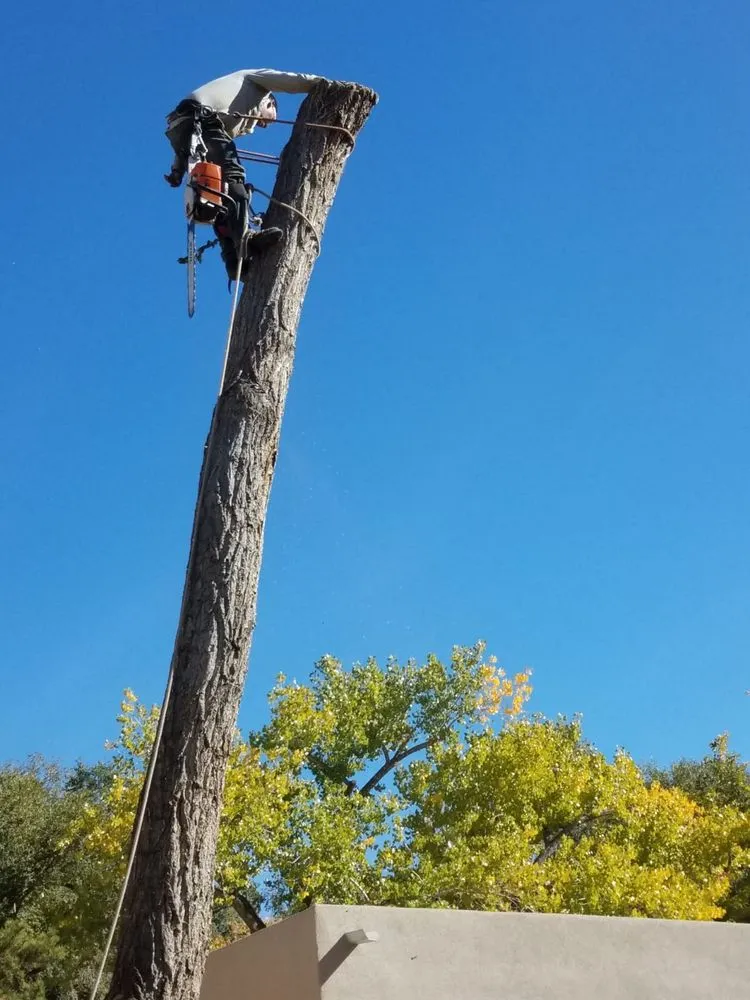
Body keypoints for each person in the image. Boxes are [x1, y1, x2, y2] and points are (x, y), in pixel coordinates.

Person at [165, 69, 323, 281]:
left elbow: (188, 141)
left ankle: (232, 261)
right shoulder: (255, 82)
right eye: (266, 120)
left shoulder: (224, 115)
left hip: (182, 126)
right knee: (234, 177)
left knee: (216, 193)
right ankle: (245, 239)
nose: (261, 125)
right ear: (269, 103)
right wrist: (320, 84)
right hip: (201, 120)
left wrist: (177, 170)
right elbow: (288, 80)